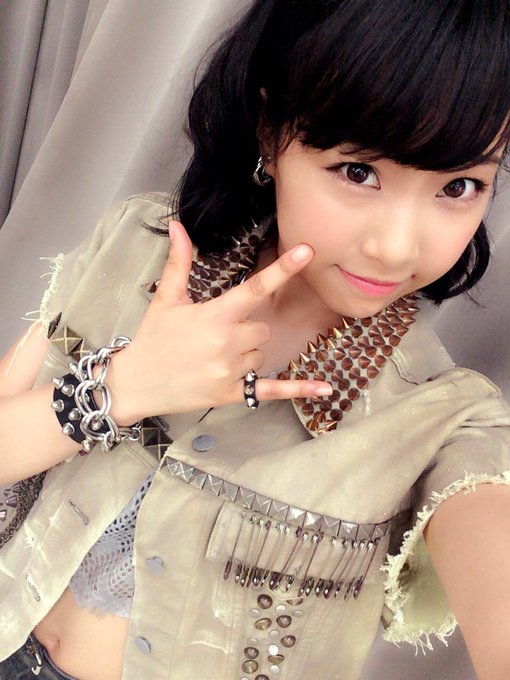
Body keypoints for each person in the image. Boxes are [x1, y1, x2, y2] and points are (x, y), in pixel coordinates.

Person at [1, 1, 510, 678]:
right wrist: (122, 387)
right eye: (358, 172)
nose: (395, 247)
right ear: (271, 134)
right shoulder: (138, 247)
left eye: (460, 186)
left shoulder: (441, 418)